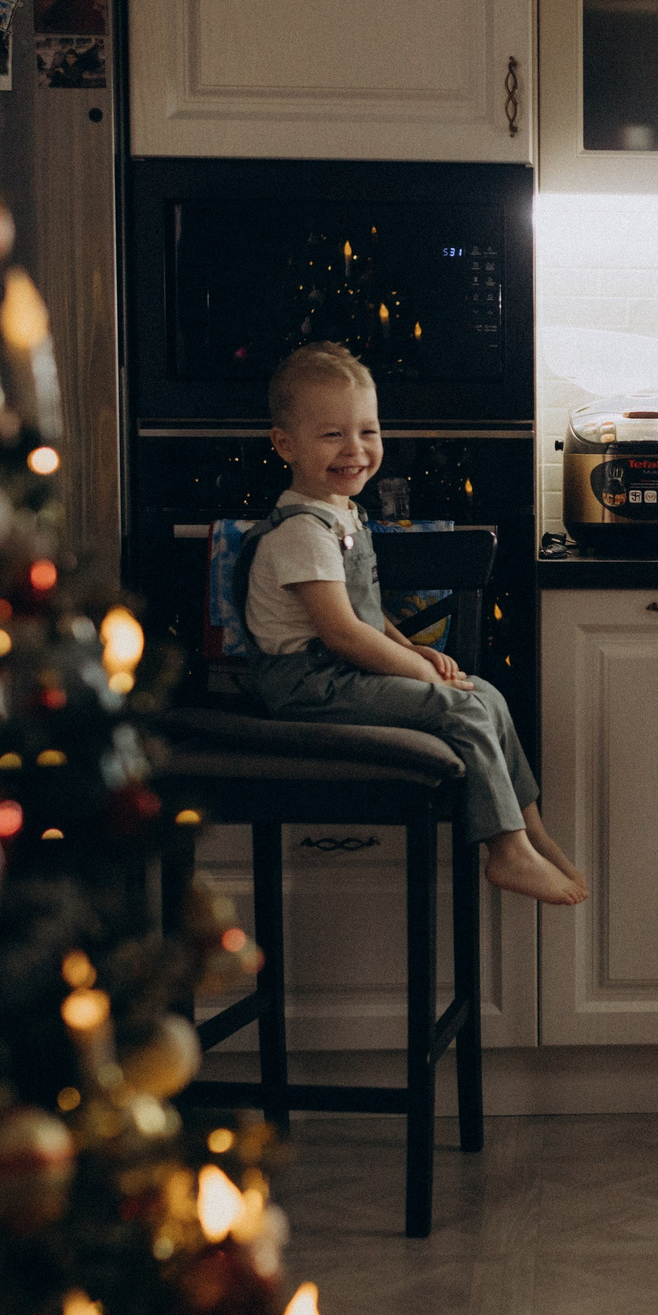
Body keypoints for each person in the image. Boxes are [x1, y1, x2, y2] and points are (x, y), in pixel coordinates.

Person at [244, 342, 588, 907]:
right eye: (332, 435)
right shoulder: (302, 531)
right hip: (308, 687)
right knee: (458, 705)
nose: (354, 450)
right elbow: (343, 634)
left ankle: (529, 828)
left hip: (342, 673)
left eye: (368, 432)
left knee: (488, 697)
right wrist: (425, 678)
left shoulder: (342, 514)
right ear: (286, 445)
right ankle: (504, 849)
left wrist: (416, 652)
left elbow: (365, 610)